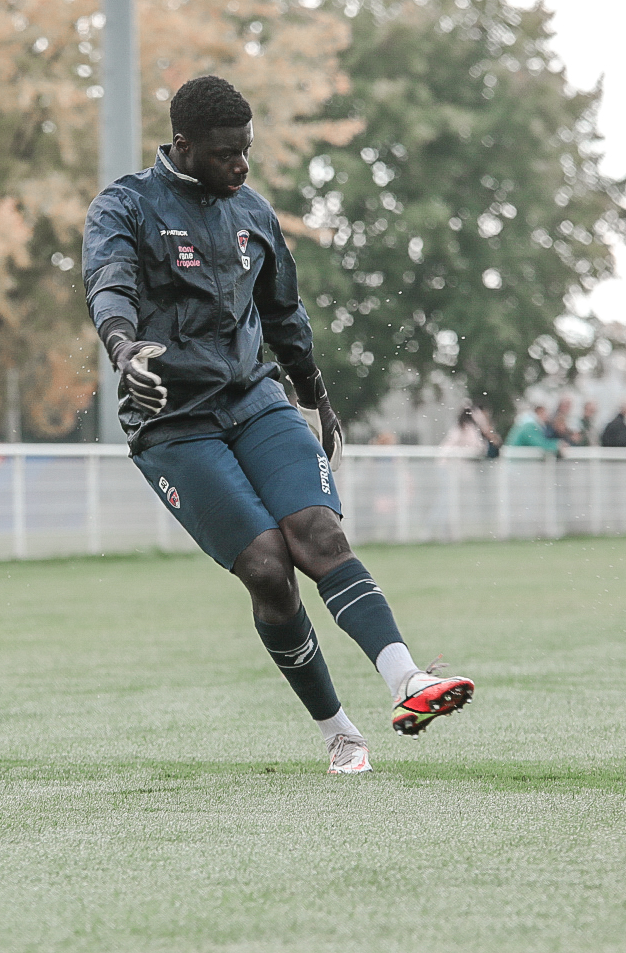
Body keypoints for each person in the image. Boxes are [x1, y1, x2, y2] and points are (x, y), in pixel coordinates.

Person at [82, 76, 473, 775]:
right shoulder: (125, 205)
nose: (242, 165)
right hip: (172, 420)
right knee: (267, 566)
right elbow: (108, 281)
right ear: (184, 147)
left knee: (319, 534)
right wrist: (122, 345)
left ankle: (408, 681)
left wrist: (316, 396)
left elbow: (286, 317)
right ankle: (338, 732)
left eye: (247, 150)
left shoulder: (253, 215)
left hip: (253, 400)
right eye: (227, 153)